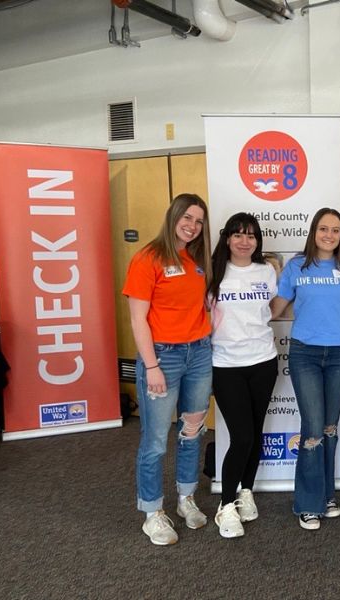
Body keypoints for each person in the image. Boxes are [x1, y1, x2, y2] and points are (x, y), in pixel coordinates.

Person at [123, 193, 213, 546]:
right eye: (187, 218)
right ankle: (152, 512)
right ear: (173, 216)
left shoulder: (197, 260)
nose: (192, 226)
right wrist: (152, 366)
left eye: (199, 221)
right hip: (163, 358)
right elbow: (137, 319)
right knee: (156, 440)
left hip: (200, 354)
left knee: (192, 432)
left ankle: (186, 499)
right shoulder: (148, 258)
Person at [273, 208, 340, 530]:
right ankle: (308, 503)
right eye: (323, 229)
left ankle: (327, 494)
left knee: (329, 426)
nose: (329, 235)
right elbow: (276, 307)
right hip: (305, 354)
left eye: (336, 230)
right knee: (312, 427)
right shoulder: (297, 267)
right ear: (314, 232)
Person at [208, 213, 279, 539]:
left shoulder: (266, 271)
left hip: (263, 361)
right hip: (226, 365)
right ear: (227, 239)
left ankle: (246, 490)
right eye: (237, 234)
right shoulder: (213, 273)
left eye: (250, 235)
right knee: (242, 437)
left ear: (257, 240)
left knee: (256, 431)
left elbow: (273, 309)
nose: (244, 240)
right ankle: (225, 505)